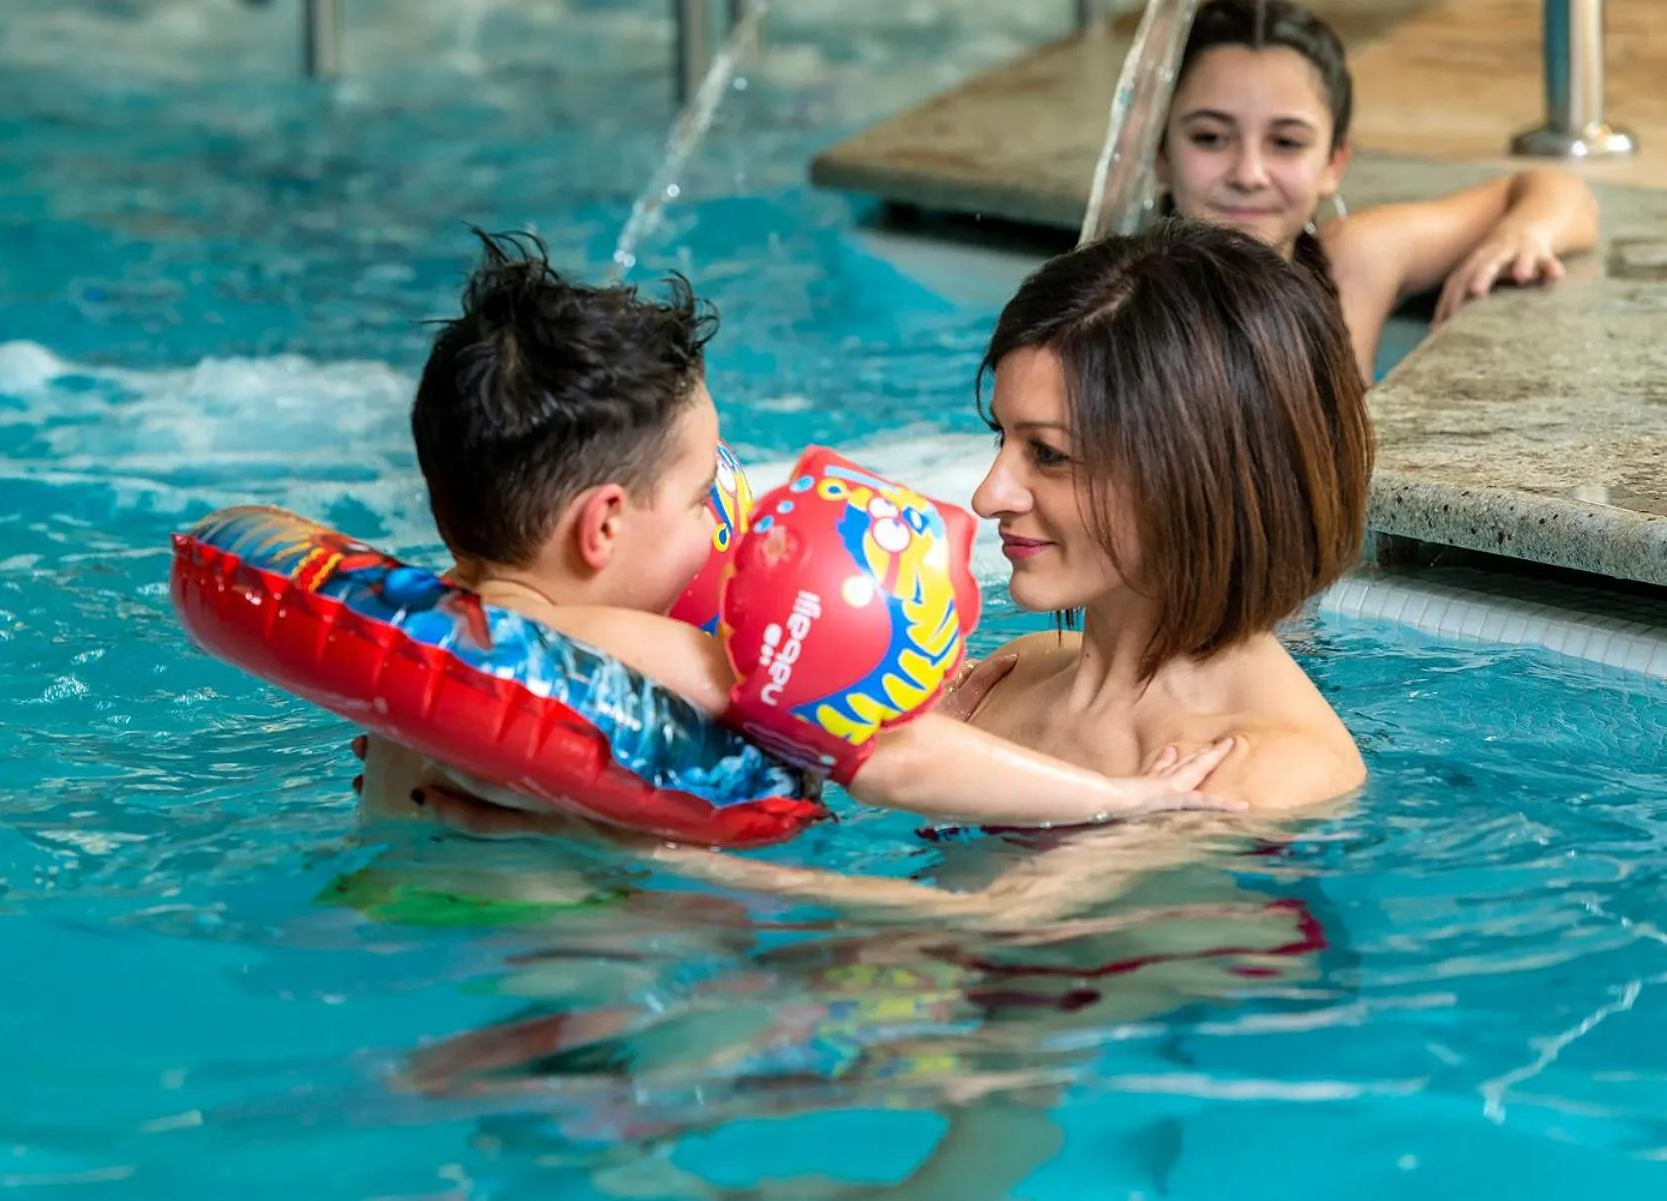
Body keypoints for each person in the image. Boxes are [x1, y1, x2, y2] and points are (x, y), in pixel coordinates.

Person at [413, 219, 1374, 929]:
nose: (991, 492)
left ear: (1195, 475)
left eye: (1049, 455)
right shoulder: (1019, 669)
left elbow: (992, 930)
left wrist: (623, 849)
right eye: (1001, 439)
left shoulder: (1263, 773)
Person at [1159, 0, 1600, 380]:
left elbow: (1560, 191)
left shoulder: (1352, 265)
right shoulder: (1123, 312)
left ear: (1333, 163)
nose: (1248, 173)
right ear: (1159, 152)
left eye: (1286, 143)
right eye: (1210, 138)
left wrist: (1521, 236)